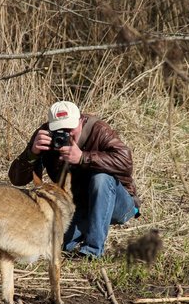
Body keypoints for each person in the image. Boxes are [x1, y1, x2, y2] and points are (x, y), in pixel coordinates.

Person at [8, 101, 140, 258]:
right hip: (79, 207)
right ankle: (82, 232)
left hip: (118, 203)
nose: (66, 134)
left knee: (101, 178)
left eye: (70, 129)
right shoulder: (45, 135)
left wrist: (83, 158)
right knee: (59, 245)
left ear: (80, 120)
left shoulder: (98, 130)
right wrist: (31, 153)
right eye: (60, 130)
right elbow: (16, 180)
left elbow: (126, 162)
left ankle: (93, 251)